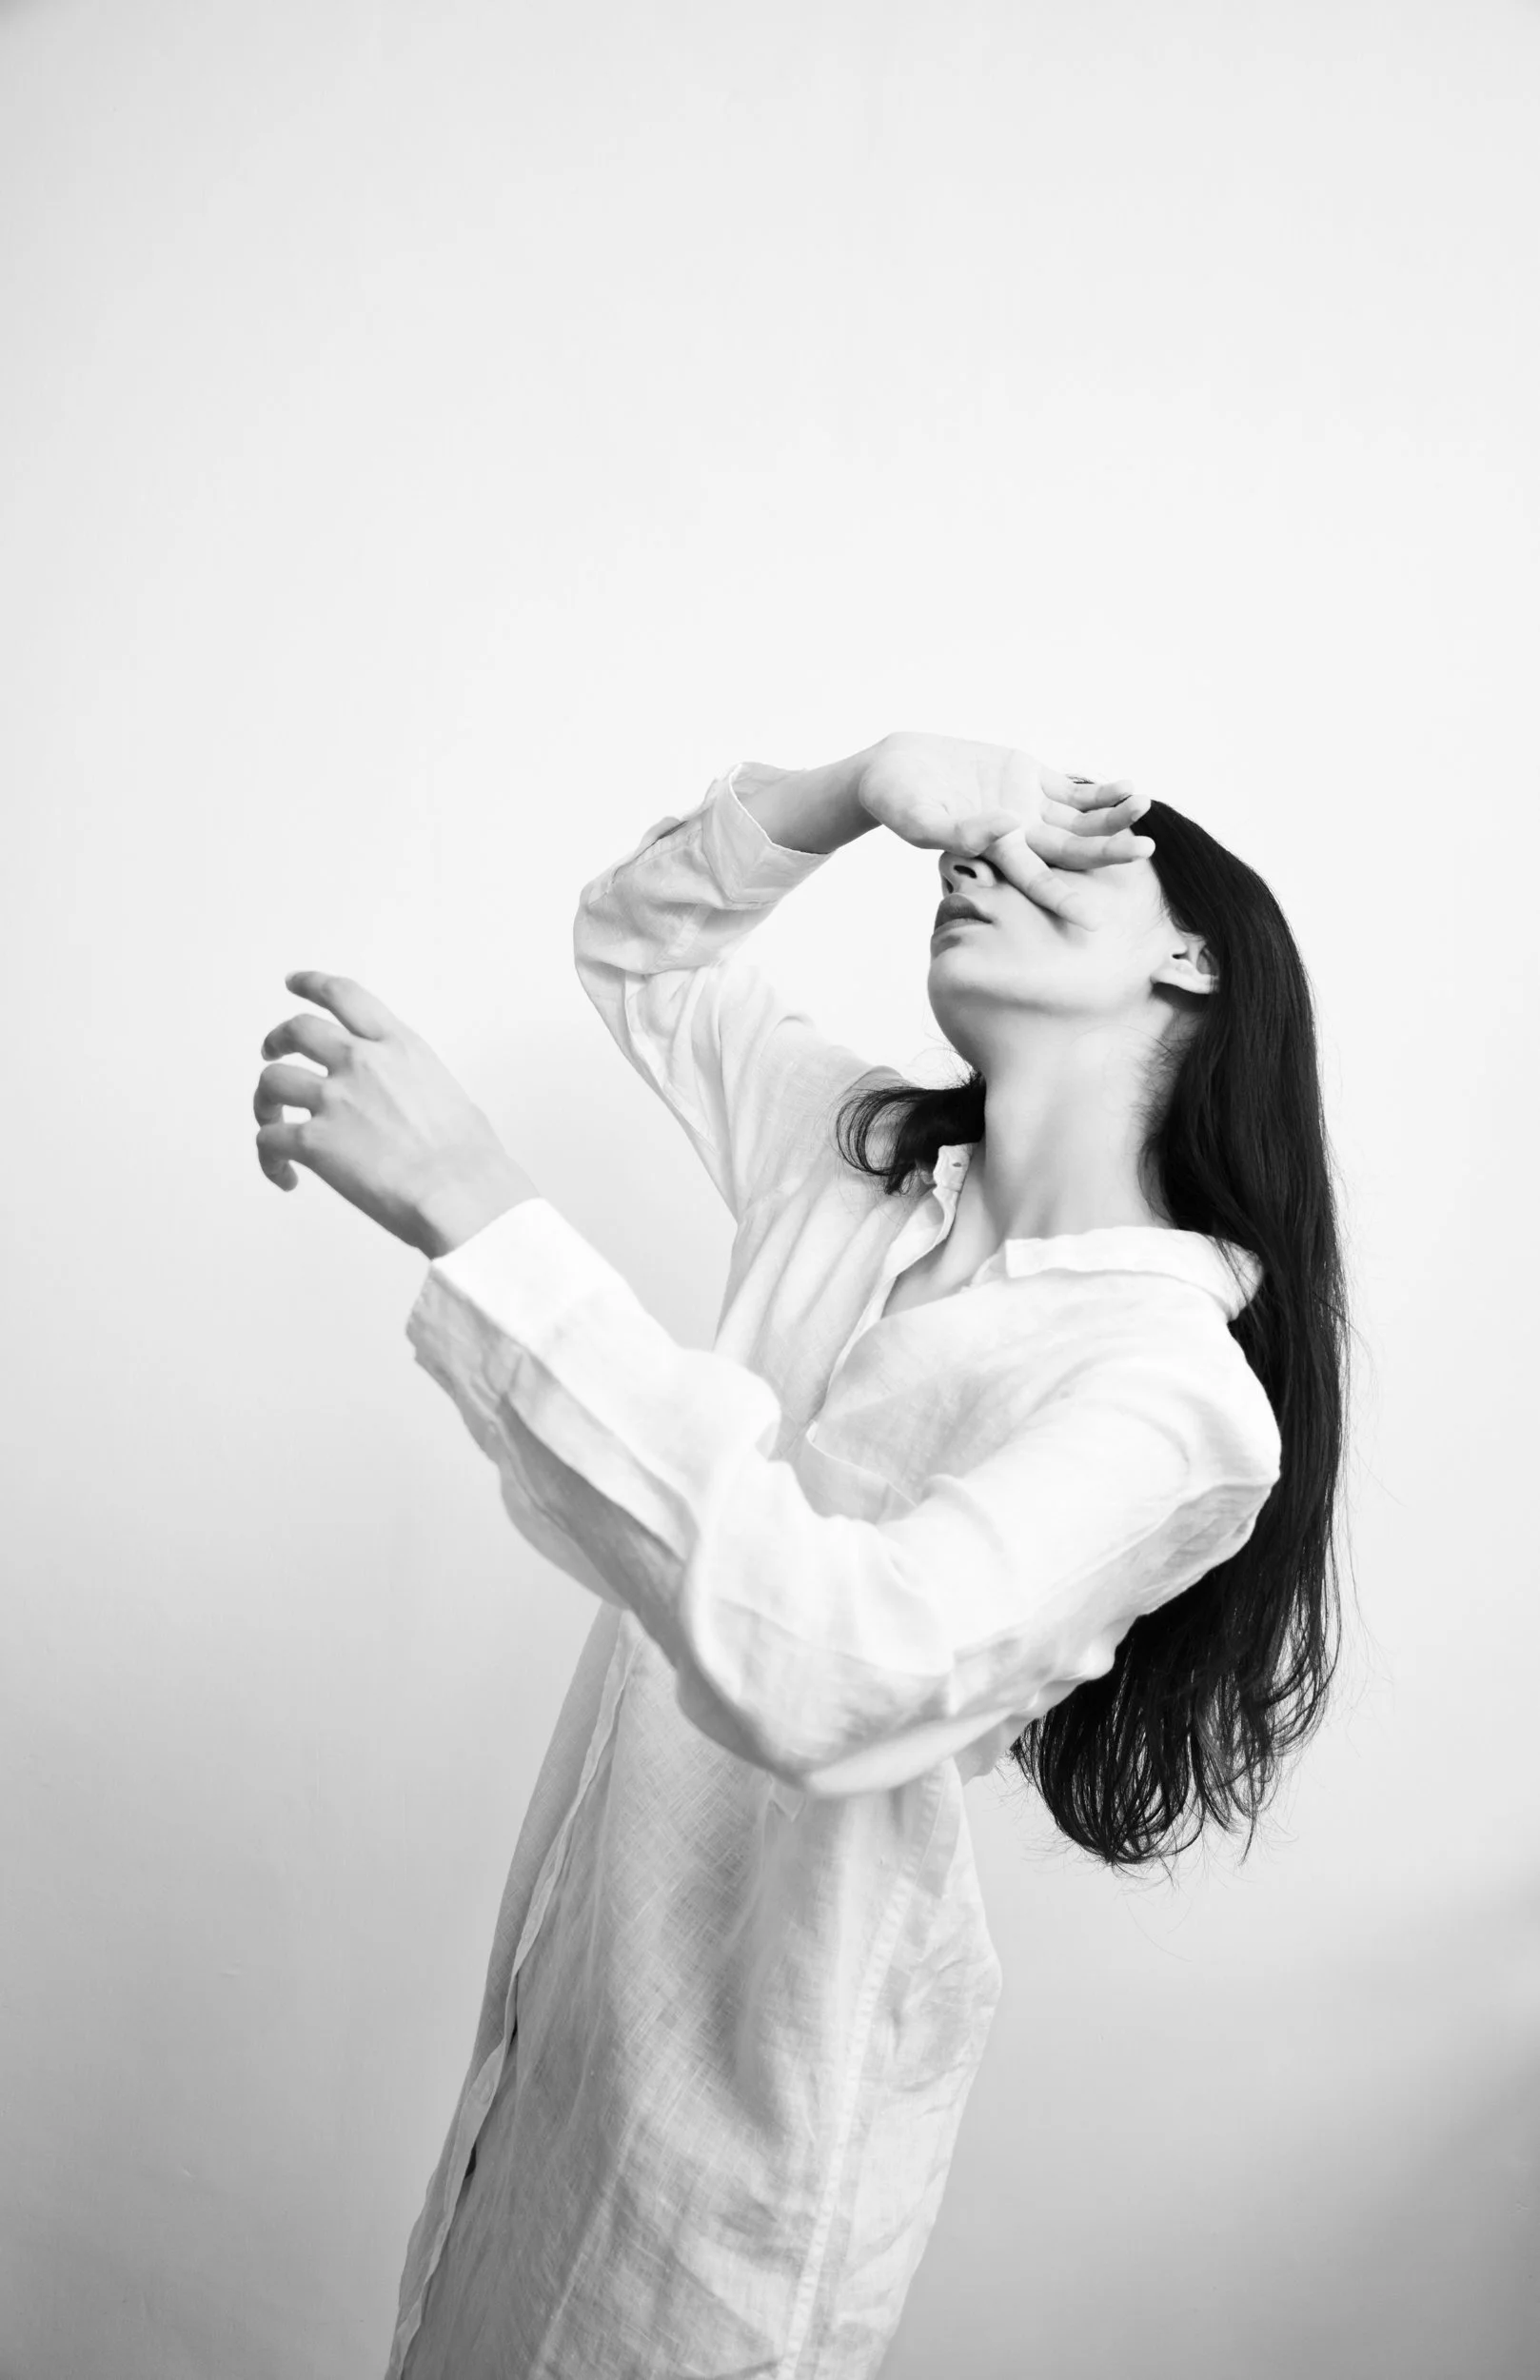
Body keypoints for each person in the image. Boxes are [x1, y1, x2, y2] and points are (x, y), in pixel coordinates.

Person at [253, 732, 1348, 2380]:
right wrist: (862, 782)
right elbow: (638, 941)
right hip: (557, 2011)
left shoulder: (1171, 1395)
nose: (972, 862)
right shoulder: (855, 1160)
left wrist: (481, 1214)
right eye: (972, 841)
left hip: (740, 2126)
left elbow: (840, 1665)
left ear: (1193, 952)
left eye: (1061, 844)